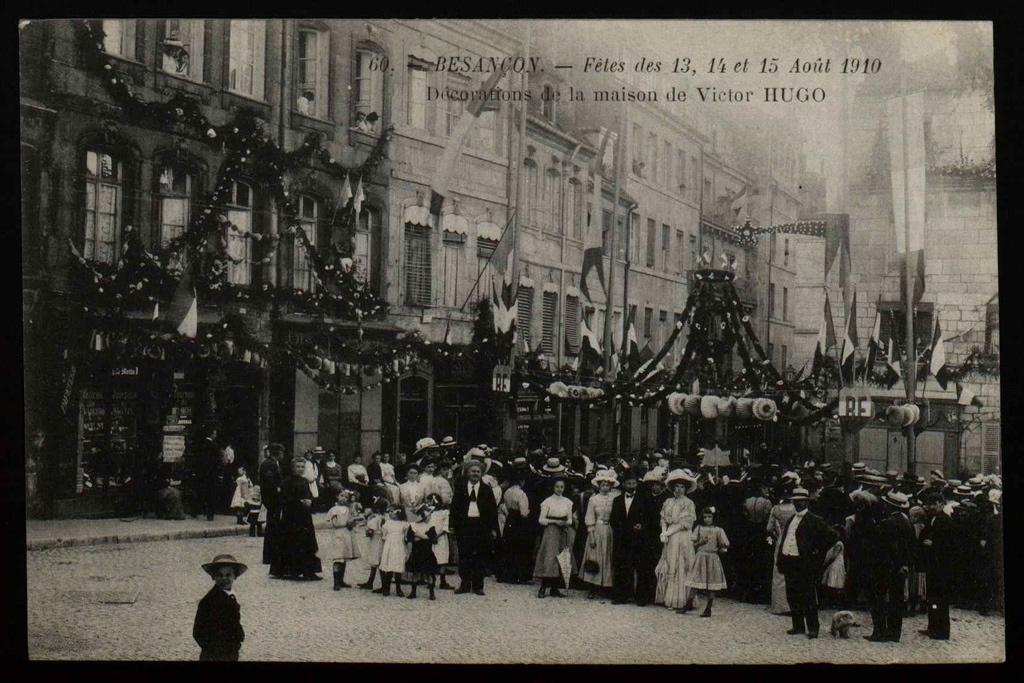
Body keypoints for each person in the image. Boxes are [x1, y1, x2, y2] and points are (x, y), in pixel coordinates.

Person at [776, 487, 839, 639]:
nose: (798, 504)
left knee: (808, 596)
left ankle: (813, 628)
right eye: (796, 501)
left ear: (806, 502)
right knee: (792, 595)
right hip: (789, 560)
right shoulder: (792, 518)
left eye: (801, 501)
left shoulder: (815, 520)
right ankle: (798, 625)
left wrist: (817, 552)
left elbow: (832, 536)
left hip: (804, 563)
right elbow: (786, 538)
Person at [864, 490, 915, 642]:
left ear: (890, 506)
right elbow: (911, 547)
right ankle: (894, 633)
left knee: (877, 599)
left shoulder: (887, 524)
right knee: (897, 600)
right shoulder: (907, 523)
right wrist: (905, 564)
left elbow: (881, 548)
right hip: (901, 569)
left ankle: (879, 632)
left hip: (884, 568)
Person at [450, 459, 500, 595]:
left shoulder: (486, 489)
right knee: (464, 555)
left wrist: (493, 528)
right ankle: (465, 584)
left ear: (481, 474)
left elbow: (492, 511)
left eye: (478, 472)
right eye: (473, 471)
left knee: (480, 555)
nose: (475, 474)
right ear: (467, 472)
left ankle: (478, 586)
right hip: (464, 525)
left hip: (481, 526)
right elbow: (454, 508)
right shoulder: (461, 487)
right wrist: (452, 526)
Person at [269, 457, 323, 581]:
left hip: (304, 516)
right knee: (292, 541)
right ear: (293, 468)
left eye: (302, 467)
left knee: (307, 541)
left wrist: (310, 501)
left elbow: (309, 495)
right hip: (292, 516)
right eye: (298, 467)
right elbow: (284, 499)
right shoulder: (287, 482)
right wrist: (299, 502)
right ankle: (293, 570)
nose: (300, 469)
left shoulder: (305, 481)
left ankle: (309, 571)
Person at [654, 469, 698, 612]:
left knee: (681, 564)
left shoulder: (689, 503)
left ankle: (683, 600)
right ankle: (669, 598)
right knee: (669, 563)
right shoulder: (668, 501)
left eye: (682, 487)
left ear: (685, 489)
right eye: (677, 486)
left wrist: (668, 532)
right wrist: (663, 532)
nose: (679, 490)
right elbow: (663, 518)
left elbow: (685, 523)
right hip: (669, 537)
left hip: (682, 536)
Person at [193, 554, 246, 661]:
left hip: (230, 652)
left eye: (228, 575)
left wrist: (238, 639)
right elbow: (198, 632)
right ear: (213, 577)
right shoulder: (208, 601)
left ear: (234, 576)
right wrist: (214, 649)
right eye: (219, 575)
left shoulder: (230, 595)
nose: (224, 578)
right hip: (216, 655)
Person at [918, 491, 955, 639]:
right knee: (932, 598)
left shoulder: (945, 520)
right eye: (930, 504)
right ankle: (932, 626)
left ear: (941, 503)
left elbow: (949, 543)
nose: (932, 507)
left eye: (934, 504)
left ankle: (942, 630)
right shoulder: (933, 519)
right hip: (933, 565)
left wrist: (933, 544)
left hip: (942, 567)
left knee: (940, 599)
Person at [610, 469, 649, 605]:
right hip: (622, 539)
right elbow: (613, 520)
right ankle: (621, 596)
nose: (631, 486)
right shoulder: (617, 501)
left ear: (637, 484)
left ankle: (641, 598)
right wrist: (621, 530)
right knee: (622, 567)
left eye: (633, 483)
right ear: (624, 484)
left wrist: (641, 526)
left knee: (640, 567)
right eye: (628, 483)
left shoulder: (644, 500)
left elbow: (650, 519)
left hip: (638, 539)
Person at [534, 477, 576, 598]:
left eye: (562, 487)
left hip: (563, 531)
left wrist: (565, 523)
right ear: (553, 487)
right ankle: (543, 587)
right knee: (550, 558)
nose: (559, 489)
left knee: (561, 558)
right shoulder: (547, 501)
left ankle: (554, 588)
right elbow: (541, 520)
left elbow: (570, 519)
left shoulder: (568, 502)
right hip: (551, 531)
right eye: (557, 486)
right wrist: (554, 522)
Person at [579, 469, 618, 598]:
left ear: (611, 486)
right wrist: (591, 535)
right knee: (595, 557)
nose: (605, 487)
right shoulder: (593, 499)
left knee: (608, 557)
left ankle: (606, 585)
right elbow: (590, 518)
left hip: (610, 530)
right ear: (599, 486)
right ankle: (593, 587)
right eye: (603, 485)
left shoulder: (614, 499)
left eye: (607, 485)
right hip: (597, 529)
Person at [687, 506, 730, 617]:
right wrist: (700, 542)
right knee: (695, 580)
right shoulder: (699, 528)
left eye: (709, 517)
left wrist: (722, 547)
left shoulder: (718, 530)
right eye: (705, 517)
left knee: (712, 583)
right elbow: (692, 544)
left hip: (712, 558)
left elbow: (724, 546)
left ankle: (708, 608)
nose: (707, 519)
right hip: (701, 556)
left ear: (713, 517)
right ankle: (688, 604)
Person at [498, 465, 534, 584]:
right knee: (520, 547)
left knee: (509, 546)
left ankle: (507, 574)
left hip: (510, 518)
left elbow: (505, 506)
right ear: (521, 481)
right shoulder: (521, 494)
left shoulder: (507, 491)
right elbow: (524, 512)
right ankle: (520, 575)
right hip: (519, 520)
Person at [766, 484, 797, 614]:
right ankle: (792, 605)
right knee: (793, 572)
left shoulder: (776, 509)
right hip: (794, 540)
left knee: (779, 572)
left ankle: (779, 606)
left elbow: (768, 528)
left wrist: (777, 533)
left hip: (781, 540)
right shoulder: (795, 509)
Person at [326, 490, 362, 590]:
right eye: (341, 496)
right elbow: (332, 524)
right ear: (337, 496)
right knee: (338, 557)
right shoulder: (334, 509)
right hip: (338, 534)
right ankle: (336, 582)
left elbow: (352, 520)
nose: (344, 498)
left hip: (347, 534)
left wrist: (353, 523)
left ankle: (341, 580)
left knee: (344, 557)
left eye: (346, 497)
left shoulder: (348, 509)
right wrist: (345, 524)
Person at [406, 503, 440, 600]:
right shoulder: (413, 526)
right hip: (416, 551)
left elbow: (433, 539)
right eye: (428, 515)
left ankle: (431, 592)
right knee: (415, 572)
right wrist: (425, 537)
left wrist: (420, 536)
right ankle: (413, 592)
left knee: (429, 573)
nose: (430, 517)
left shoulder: (430, 526)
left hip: (427, 552)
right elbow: (410, 538)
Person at [259, 443, 286, 566]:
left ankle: (271, 554)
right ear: (278, 453)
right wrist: (278, 488)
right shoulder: (269, 464)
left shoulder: (272, 463)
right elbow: (270, 482)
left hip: (273, 499)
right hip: (272, 499)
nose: (283, 455)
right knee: (272, 526)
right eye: (281, 453)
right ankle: (269, 555)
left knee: (273, 526)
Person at [378, 506, 411, 597]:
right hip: (389, 546)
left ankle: (398, 588)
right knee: (388, 567)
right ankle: (386, 588)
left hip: (399, 546)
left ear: (398, 513)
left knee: (398, 567)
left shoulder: (404, 524)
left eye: (392, 511)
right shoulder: (388, 523)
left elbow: (405, 537)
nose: (390, 513)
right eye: (389, 511)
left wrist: (407, 548)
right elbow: (384, 536)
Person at [358, 498, 389, 591]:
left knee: (376, 561)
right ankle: (370, 582)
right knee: (377, 561)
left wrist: (367, 530)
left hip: (376, 541)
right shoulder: (387, 518)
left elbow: (370, 533)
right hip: (383, 541)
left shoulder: (375, 520)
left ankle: (383, 586)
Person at [425, 493, 454, 590]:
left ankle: (443, 581)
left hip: (440, 538)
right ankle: (430, 581)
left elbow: (445, 527)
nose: (428, 503)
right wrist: (431, 536)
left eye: (429, 501)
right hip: (430, 538)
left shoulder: (444, 512)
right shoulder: (429, 513)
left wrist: (437, 536)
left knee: (442, 559)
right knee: (431, 558)